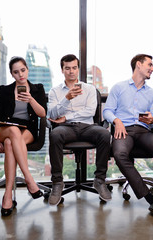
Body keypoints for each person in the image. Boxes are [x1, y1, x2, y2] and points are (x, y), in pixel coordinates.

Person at [103, 54, 153, 221]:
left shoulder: (152, 93)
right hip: (123, 130)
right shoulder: (119, 87)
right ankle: (150, 198)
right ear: (138, 65)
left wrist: (151, 119)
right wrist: (117, 121)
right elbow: (107, 111)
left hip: (143, 131)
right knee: (119, 154)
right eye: (150, 64)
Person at [48, 54, 111, 205]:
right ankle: (57, 183)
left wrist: (67, 116)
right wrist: (66, 98)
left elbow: (90, 111)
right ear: (62, 70)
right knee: (55, 135)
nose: (71, 71)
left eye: (74, 68)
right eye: (67, 68)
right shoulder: (55, 92)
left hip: (87, 127)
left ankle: (100, 180)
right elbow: (52, 114)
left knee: (104, 134)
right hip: (65, 129)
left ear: (78, 69)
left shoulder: (89, 89)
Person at [0, 56, 47, 216]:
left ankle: (7, 195)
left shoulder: (37, 89)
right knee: (11, 133)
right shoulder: (5, 90)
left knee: (9, 143)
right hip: (5, 128)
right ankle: (29, 179)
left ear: (27, 69)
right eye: (16, 72)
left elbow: (42, 114)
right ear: (12, 74)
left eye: (23, 70)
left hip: (27, 130)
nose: (20, 75)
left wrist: (31, 99)